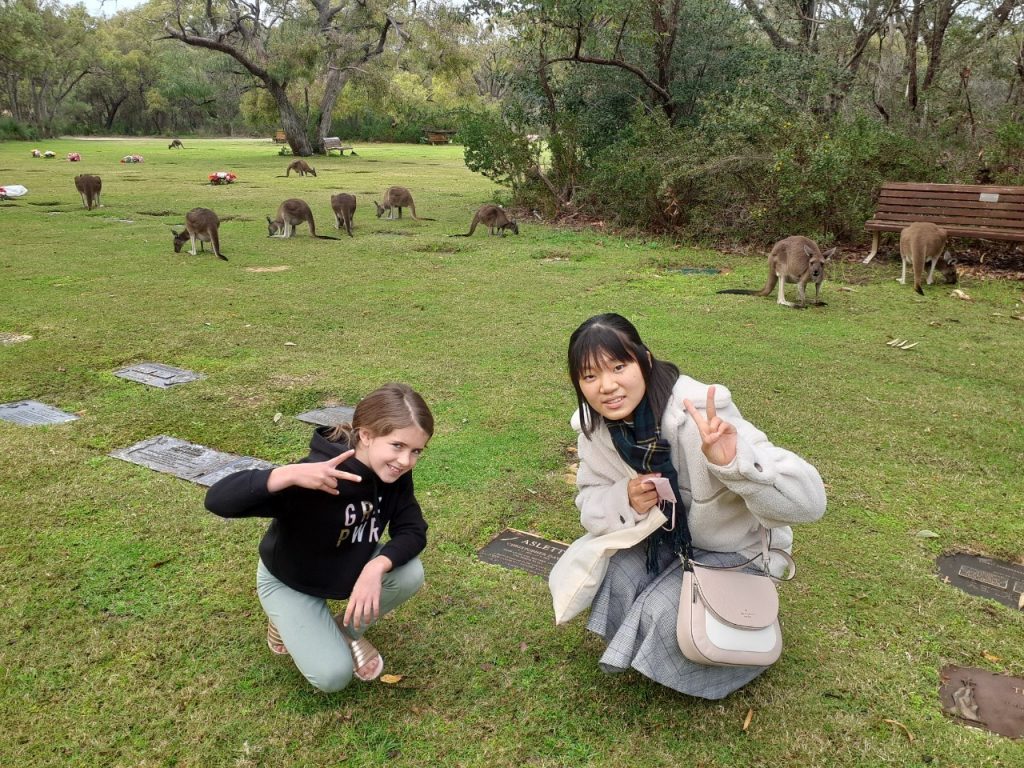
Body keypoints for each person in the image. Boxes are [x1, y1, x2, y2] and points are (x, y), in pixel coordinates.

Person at [562, 313, 826, 698]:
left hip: (732, 549)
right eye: (589, 376)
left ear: (645, 360)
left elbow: (810, 503)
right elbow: (588, 500)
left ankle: (735, 657)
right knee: (613, 571)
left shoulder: (701, 411)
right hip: (664, 541)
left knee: (663, 613)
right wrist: (625, 498)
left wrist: (734, 464)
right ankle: (655, 640)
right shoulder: (596, 430)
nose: (607, 386)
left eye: (619, 366)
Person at [205, 383, 433, 692]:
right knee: (333, 676)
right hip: (290, 580)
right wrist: (286, 475)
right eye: (397, 445)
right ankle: (284, 618)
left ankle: (343, 630)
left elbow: (413, 529)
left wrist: (376, 566)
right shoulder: (315, 477)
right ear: (366, 435)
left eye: (415, 451)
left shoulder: (393, 473)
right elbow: (217, 500)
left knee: (409, 573)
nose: (406, 461)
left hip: (346, 564)